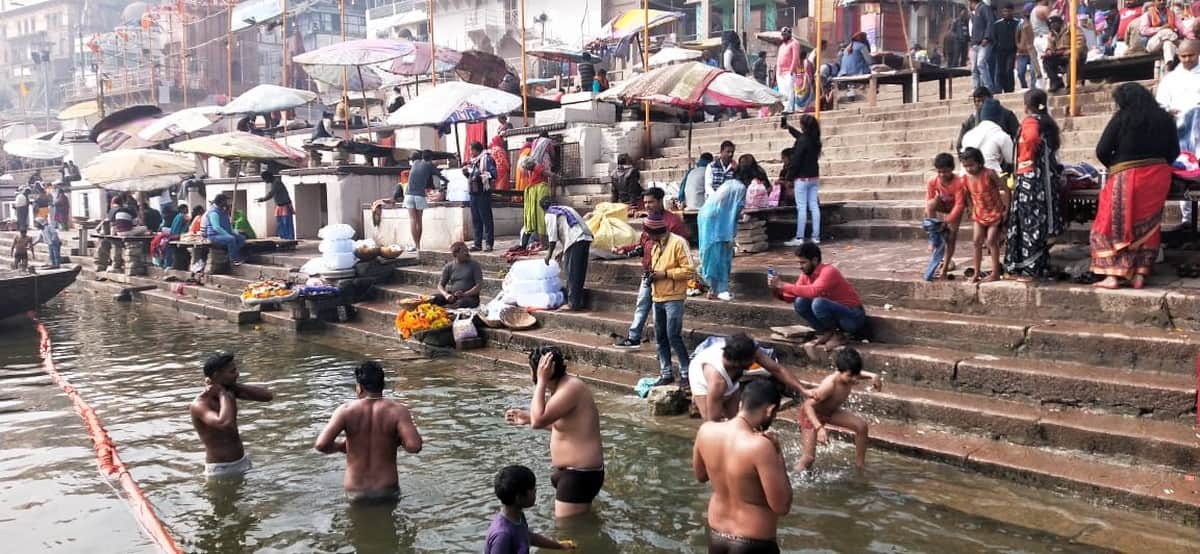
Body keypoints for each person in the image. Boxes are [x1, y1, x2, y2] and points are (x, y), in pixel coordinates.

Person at [1091, 83, 1180, 289]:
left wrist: (1117, 166)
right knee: (1149, 226)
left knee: (1109, 225)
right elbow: (1174, 152)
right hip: (1158, 177)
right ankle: (1140, 274)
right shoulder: (1166, 118)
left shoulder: (1123, 118)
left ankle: (1113, 275)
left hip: (1128, 176)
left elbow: (1102, 150)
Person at [504, 347, 604, 519]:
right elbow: (566, 428)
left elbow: (538, 421)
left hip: (579, 475)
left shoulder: (570, 388)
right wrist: (528, 418)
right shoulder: (561, 388)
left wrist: (541, 381)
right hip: (574, 475)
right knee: (582, 524)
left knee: (568, 533)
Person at [693, 379, 791, 554]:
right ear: (770, 410)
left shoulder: (705, 431)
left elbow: (701, 476)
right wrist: (777, 452)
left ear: (740, 404)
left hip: (716, 537)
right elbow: (782, 506)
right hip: (754, 542)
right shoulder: (762, 446)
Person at [314, 361, 423, 502]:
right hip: (387, 490)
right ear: (383, 386)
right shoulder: (398, 411)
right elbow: (414, 446)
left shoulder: (345, 410)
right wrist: (396, 442)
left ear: (359, 388)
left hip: (356, 491)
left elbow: (321, 445)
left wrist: (341, 447)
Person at [613, 188, 689, 349]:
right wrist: (625, 249)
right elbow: (642, 245)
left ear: (660, 201)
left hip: (667, 279)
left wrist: (667, 273)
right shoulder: (648, 220)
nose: (647, 205)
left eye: (650, 202)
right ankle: (634, 337)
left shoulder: (673, 223)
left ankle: (668, 347)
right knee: (642, 304)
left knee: (663, 316)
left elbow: (682, 250)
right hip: (649, 273)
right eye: (645, 202)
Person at [1005, 88, 1065, 280]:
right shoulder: (1048, 123)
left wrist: (1025, 161)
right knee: (1040, 222)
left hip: (1031, 181)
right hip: (1046, 181)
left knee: (1029, 223)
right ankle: (1039, 265)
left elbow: (1030, 140)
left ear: (1026, 106)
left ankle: (1030, 270)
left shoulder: (1031, 122)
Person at [687, 333, 812, 422]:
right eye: (752, 359)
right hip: (700, 378)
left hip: (728, 375)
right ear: (739, 362)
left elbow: (777, 369)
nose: (755, 360)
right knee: (712, 425)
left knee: (736, 420)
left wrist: (803, 390)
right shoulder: (717, 382)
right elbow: (711, 424)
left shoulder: (749, 351)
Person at [797, 348, 883, 472]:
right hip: (811, 416)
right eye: (850, 376)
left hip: (830, 412)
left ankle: (860, 466)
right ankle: (795, 476)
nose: (854, 379)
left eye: (856, 374)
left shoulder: (850, 374)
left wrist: (873, 375)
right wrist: (819, 428)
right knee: (809, 459)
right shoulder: (829, 385)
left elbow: (856, 373)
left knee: (861, 426)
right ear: (839, 371)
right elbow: (807, 405)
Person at [190, 352, 274, 479]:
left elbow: (267, 396)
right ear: (216, 375)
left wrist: (231, 387)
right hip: (220, 469)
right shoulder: (199, 404)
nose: (237, 374)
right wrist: (222, 393)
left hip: (242, 461)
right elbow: (224, 423)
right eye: (232, 371)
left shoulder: (231, 391)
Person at [769, 242, 866, 350]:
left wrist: (782, 284)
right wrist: (775, 289)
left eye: (803, 263)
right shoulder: (805, 275)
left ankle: (839, 336)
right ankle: (828, 332)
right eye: (799, 263)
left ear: (814, 260)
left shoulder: (829, 271)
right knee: (800, 302)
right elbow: (789, 297)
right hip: (837, 317)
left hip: (853, 318)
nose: (800, 267)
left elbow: (814, 291)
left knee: (818, 303)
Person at [641, 212, 695, 387]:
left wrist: (665, 274)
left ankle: (686, 372)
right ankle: (666, 372)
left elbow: (689, 271)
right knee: (660, 336)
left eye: (649, 234)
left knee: (673, 336)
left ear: (656, 232)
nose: (647, 237)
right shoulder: (656, 245)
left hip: (674, 297)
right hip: (657, 296)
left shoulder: (678, 243)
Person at [1155, 39, 1200, 223]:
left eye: (1191, 55)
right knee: (1184, 172)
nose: (1187, 59)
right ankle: (1187, 219)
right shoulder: (1171, 79)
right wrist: (1168, 111)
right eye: (1183, 56)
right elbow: (1160, 104)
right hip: (1179, 131)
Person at [485, 465, 575, 553]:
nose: (535, 490)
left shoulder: (517, 516)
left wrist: (560, 546)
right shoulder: (502, 535)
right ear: (519, 497)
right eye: (532, 488)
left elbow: (528, 537)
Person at [699, 156, 748, 301]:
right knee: (722, 260)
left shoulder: (728, 187)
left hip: (710, 227)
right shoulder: (739, 189)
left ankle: (712, 289)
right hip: (719, 230)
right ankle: (722, 290)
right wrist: (729, 237)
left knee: (711, 258)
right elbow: (735, 213)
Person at [961, 147, 1010, 282]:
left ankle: (995, 273)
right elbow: (967, 197)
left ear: (979, 162)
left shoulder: (990, 174)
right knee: (976, 241)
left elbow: (1006, 189)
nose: (969, 169)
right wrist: (971, 209)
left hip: (995, 212)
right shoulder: (965, 179)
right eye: (966, 166)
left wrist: (1007, 209)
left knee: (991, 240)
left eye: (971, 165)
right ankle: (976, 273)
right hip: (979, 213)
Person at [542, 198, 592, 311]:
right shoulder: (566, 208)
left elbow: (552, 238)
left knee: (572, 273)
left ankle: (572, 304)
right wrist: (563, 251)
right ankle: (578, 301)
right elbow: (570, 228)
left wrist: (549, 255)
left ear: (543, 209)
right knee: (579, 272)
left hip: (575, 240)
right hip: (586, 237)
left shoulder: (550, 213)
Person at [925, 153, 968, 278]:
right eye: (940, 172)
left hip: (955, 208)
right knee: (931, 204)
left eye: (946, 172)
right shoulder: (933, 181)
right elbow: (929, 199)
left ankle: (945, 266)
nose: (943, 175)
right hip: (943, 204)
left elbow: (959, 205)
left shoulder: (958, 182)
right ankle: (933, 236)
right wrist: (931, 221)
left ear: (952, 169)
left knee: (951, 237)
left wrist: (947, 221)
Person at [782, 114, 822, 246]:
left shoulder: (803, 141)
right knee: (814, 206)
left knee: (802, 208)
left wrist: (789, 178)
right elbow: (801, 136)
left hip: (802, 178)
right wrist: (790, 128)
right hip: (814, 177)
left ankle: (800, 237)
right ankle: (816, 236)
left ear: (803, 125)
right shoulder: (814, 139)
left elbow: (796, 161)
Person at [961, 98, 1016, 174]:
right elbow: (1012, 160)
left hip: (967, 178)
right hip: (991, 178)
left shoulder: (968, 135)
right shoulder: (1001, 136)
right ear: (999, 117)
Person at [521, 133, 555, 248]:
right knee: (541, 217)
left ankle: (538, 243)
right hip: (540, 188)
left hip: (532, 189)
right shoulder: (539, 160)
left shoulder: (531, 158)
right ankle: (543, 243)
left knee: (535, 218)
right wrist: (554, 175)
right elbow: (543, 171)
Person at [466, 141, 498, 252]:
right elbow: (471, 175)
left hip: (483, 193)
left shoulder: (487, 159)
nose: (470, 152)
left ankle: (489, 243)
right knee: (476, 220)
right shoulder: (473, 162)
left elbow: (493, 174)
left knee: (486, 219)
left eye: (471, 150)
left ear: (476, 150)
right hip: (473, 193)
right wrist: (466, 173)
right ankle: (477, 243)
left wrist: (479, 176)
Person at [433, 242, 484, 309]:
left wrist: (464, 294)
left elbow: (479, 286)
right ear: (455, 254)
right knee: (433, 298)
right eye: (463, 251)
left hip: (470, 298)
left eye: (467, 250)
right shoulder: (449, 266)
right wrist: (446, 295)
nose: (467, 253)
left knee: (461, 303)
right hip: (452, 296)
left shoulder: (474, 265)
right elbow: (440, 285)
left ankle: (446, 309)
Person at [1043, 15, 1086, 92]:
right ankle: (1056, 82)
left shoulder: (1071, 28)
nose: (1053, 26)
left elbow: (1080, 44)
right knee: (1047, 61)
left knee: (1072, 59)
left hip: (1074, 54)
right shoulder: (1052, 33)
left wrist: (1066, 52)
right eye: (1051, 25)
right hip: (1060, 55)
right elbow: (1050, 46)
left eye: (1054, 24)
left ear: (1060, 23)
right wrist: (1049, 51)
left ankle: (1071, 85)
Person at [202, 194, 247, 265]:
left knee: (241, 238)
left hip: (225, 233)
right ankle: (234, 259)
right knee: (231, 239)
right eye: (225, 200)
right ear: (221, 202)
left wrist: (234, 232)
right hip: (214, 235)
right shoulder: (214, 213)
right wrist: (227, 234)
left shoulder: (224, 211)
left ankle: (230, 255)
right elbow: (216, 227)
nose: (227, 202)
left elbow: (228, 225)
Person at [1138, 0, 1182, 66]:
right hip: (1152, 44)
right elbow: (1143, 31)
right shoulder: (1147, 14)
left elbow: (1182, 28)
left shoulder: (1172, 13)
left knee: (1168, 43)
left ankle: (1169, 65)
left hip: (1167, 41)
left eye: (1164, 0)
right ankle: (1180, 45)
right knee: (1165, 31)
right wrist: (1160, 29)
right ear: (1154, 2)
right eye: (1159, 0)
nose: (1162, 2)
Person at [255, 169, 295, 240]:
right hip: (279, 206)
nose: (264, 181)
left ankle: (289, 241)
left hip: (285, 206)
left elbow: (271, 193)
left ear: (268, 177)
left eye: (264, 179)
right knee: (281, 225)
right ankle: (284, 240)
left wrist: (263, 199)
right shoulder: (274, 183)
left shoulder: (277, 183)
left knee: (287, 225)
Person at [991, 3, 1022, 92]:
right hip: (1000, 51)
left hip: (1012, 51)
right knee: (1001, 71)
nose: (1006, 13)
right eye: (1004, 11)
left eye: (1008, 11)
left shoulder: (1017, 23)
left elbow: (1019, 36)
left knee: (1009, 70)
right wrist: (997, 46)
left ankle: (1010, 89)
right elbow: (994, 37)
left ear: (1012, 11)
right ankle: (1003, 88)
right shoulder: (997, 24)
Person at [970, 0, 997, 92]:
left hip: (984, 42)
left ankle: (988, 88)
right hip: (975, 43)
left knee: (981, 64)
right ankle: (976, 89)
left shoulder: (984, 8)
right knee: (974, 68)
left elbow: (990, 22)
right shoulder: (975, 12)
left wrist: (987, 37)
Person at [776, 27, 801, 112]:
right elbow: (779, 59)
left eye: (785, 34)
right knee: (782, 91)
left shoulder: (794, 43)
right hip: (780, 73)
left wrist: (792, 70)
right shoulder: (781, 46)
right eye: (782, 34)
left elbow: (795, 58)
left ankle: (789, 108)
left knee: (790, 90)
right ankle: (785, 107)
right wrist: (778, 72)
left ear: (789, 34)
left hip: (789, 72)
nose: (783, 36)